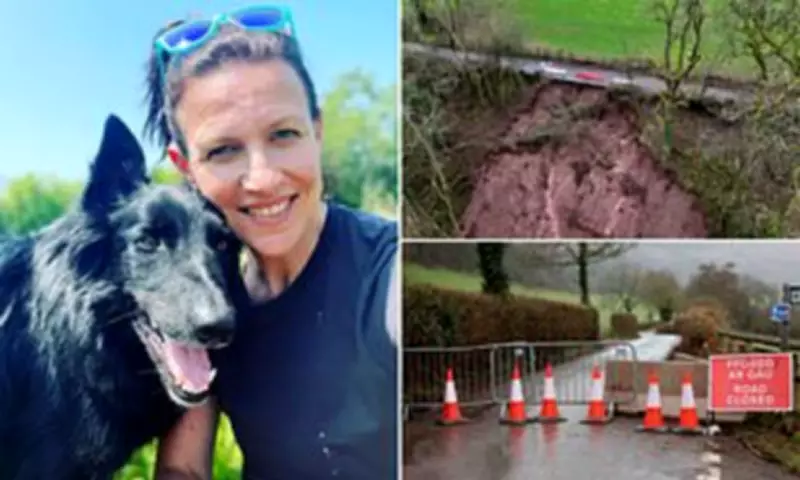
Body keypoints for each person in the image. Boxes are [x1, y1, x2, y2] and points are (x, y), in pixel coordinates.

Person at [142, 5, 399, 479]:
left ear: (316, 133)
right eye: (223, 150)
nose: (262, 178)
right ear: (186, 168)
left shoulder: (388, 270)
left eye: (284, 134)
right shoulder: (207, 304)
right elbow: (184, 468)